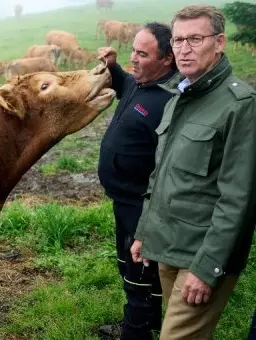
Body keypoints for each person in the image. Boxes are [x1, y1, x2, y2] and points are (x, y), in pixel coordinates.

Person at [131, 5, 256, 339]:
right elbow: (162, 175)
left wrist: (207, 268)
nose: (183, 49)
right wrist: (146, 231)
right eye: (177, 40)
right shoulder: (179, 97)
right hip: (169, 244)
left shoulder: (240, 106)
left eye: (195, 39)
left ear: (219, 42)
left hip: (202, 255)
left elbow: (238, 199)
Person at [96, 22, 177, 340]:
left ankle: (135, 332)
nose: (134, 58)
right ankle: (151, 323)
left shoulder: (170, 101)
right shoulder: (139, 84)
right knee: (133, 264)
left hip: (144, 202)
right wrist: (113, 65)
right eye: (133, 50)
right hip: (123, 199)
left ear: (167, 59)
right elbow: (125, 81)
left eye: (142, 54)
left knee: (139, 270)